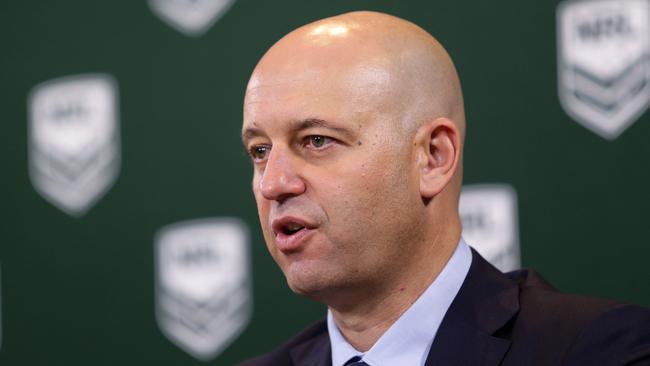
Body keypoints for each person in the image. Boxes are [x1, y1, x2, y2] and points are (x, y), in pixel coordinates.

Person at [238, 10, 650, 366]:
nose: (273, 183)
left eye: (316, 140)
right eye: (259, 150)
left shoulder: (600, 351)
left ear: (433, 157)